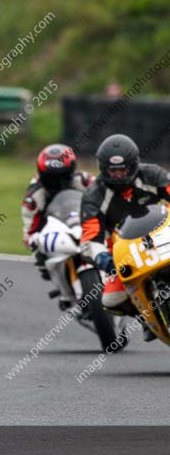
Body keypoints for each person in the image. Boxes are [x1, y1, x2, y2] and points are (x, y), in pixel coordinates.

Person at [80, 133, 170, 342]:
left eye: (123, 169)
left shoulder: (152, 174)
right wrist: (103, 258)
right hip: (125, 251)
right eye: (113, 170)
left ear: (134, 165)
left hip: (163, 234)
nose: (119, 175)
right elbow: (90, 237)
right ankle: (145, 315)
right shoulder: (94, 195)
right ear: (103, 169)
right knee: (111, 300)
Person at [22, 144, 93, 302]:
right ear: (42, 175)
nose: (58, 183)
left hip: (81, 215)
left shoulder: (84, 181)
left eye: (63, 177)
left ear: (72, 171)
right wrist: (34, 241)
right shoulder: (33, 197)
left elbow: (106, 199)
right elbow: (29, 231)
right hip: (51, 224)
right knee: (40, 257)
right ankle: (64, 290)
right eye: (51, 178)